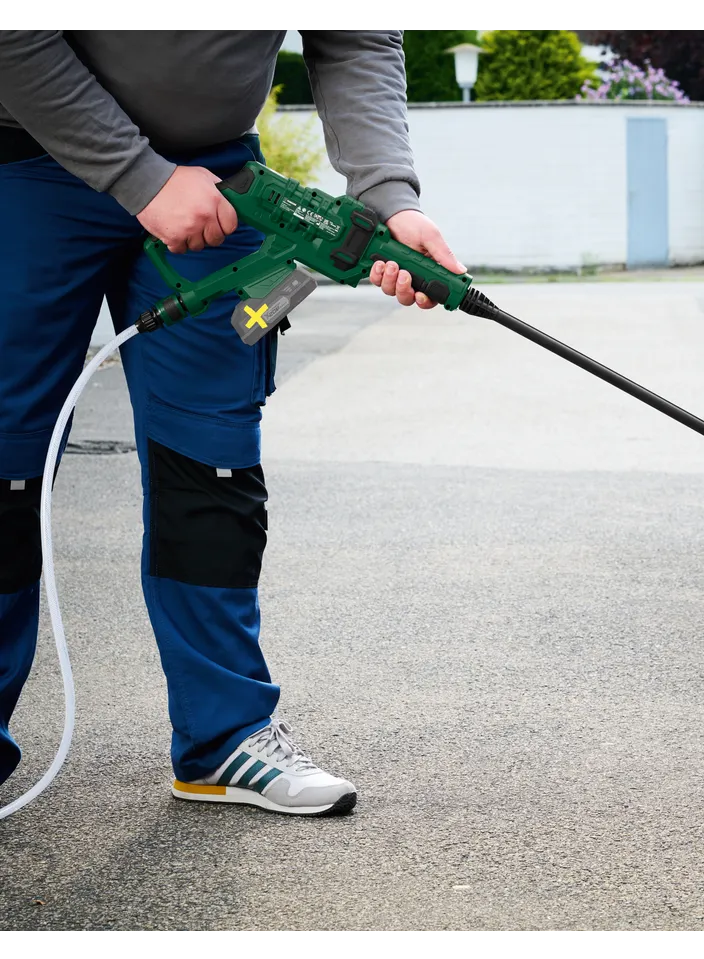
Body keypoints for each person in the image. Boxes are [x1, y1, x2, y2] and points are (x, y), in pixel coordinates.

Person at [0, 25, 464, 816]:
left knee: (210, 461)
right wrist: (137, 177)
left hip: (217, 183)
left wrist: (389, 198)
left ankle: (223, 740)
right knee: (7, 460)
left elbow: (355, 40)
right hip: (32, 158)